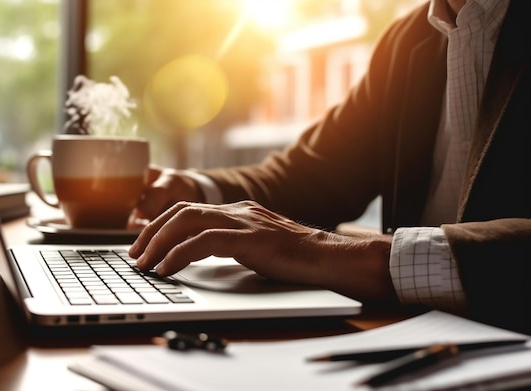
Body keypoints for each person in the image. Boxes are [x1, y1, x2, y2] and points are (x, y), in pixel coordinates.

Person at [128, 0, 531, 334]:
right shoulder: (408, 39)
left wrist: (343, 256)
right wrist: (193, 191)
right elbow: (315, 173)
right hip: (411, 337)